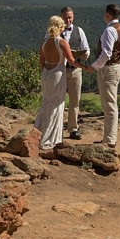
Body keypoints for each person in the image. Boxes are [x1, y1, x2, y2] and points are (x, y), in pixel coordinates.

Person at [80, 4, 120, 149]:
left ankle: (110, 139)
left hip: (109, 69)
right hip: (117, 66)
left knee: (109, 105)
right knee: (110, 103)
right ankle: (108, 137)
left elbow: (106, 54)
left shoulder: (109, 31)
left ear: (107, 14)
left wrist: (93, 66)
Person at [34, 15, 78, 153]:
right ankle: (51, 138)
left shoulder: (44, 42)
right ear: (60, 27)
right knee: (57, 106)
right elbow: (71, 60)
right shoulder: (62, 42)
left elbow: (41, 62)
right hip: (57, 75)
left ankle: (39, 133)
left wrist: (45, 73)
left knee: (46, 104)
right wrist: (85, 67)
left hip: (46, 74)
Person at [59, 6, 90, 141]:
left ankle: (73, 128)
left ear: (73, 17)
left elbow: (86, 49)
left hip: (75, 70)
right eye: (66, 17)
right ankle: (57, 128)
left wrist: (84, 55)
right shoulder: (54, 32)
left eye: (70, 17)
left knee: (74, 101)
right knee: (58, 101)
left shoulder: (79, 31)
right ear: (61, 17)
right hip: (59, 70)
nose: (68, 20)